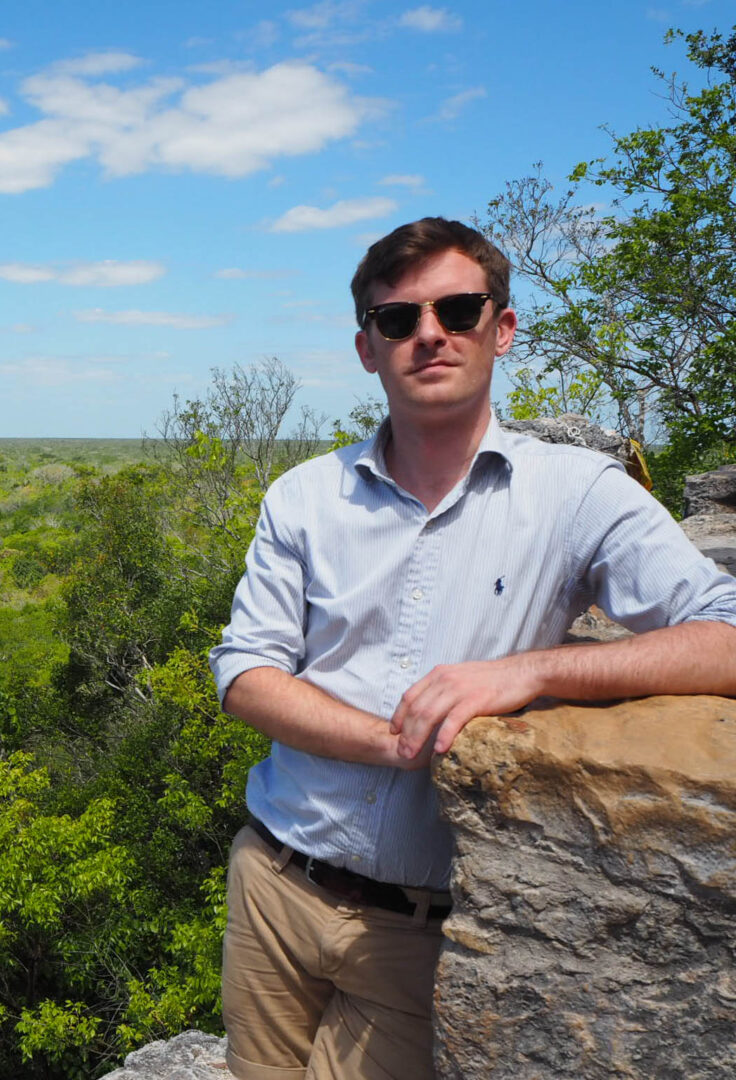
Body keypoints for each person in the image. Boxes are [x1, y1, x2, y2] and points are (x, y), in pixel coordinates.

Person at [208, 216, 736, 1080]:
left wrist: (529, 672)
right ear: (366, 348)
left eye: (456, 310)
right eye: (397, 319)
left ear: (502, 328)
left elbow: (727, 632)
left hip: (422, 928)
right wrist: (389, 741)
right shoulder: (305, 497)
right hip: (272, 881)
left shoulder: (574, 495)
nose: (429, 335)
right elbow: (245, 671)